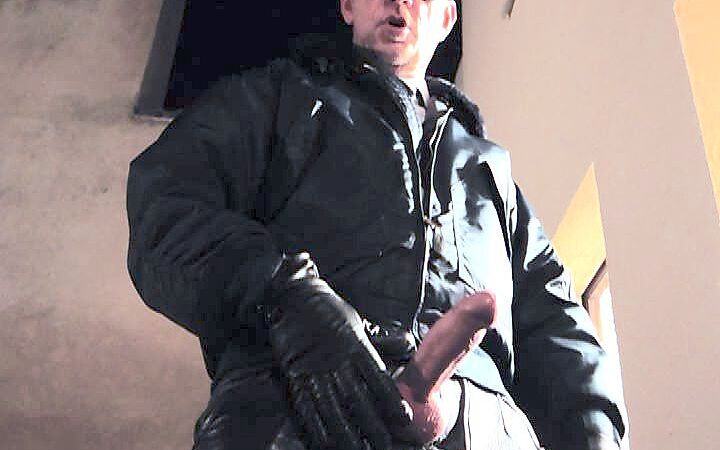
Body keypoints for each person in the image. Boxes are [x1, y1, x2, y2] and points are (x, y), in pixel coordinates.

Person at [126, 0, 627, 449]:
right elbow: (165, 203)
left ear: (447, 20)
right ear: (348, 7)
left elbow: (557, 320)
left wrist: (594, 433)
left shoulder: (490, 170)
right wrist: (286, 298)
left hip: (487, 432)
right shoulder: (273, 100)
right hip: (289, 413)